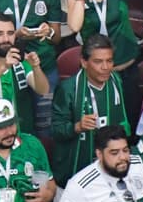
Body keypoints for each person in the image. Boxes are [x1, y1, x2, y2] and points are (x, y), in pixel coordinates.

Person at [50, 35, 129, 184]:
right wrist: (77, 127)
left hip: (108, 169)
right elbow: (55, 130)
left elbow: (122, 121)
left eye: (109, 61)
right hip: (73, 171)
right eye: (98, 62)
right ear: (84, 62)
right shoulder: (68, 89)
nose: (105, 67)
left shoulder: (116, 81)